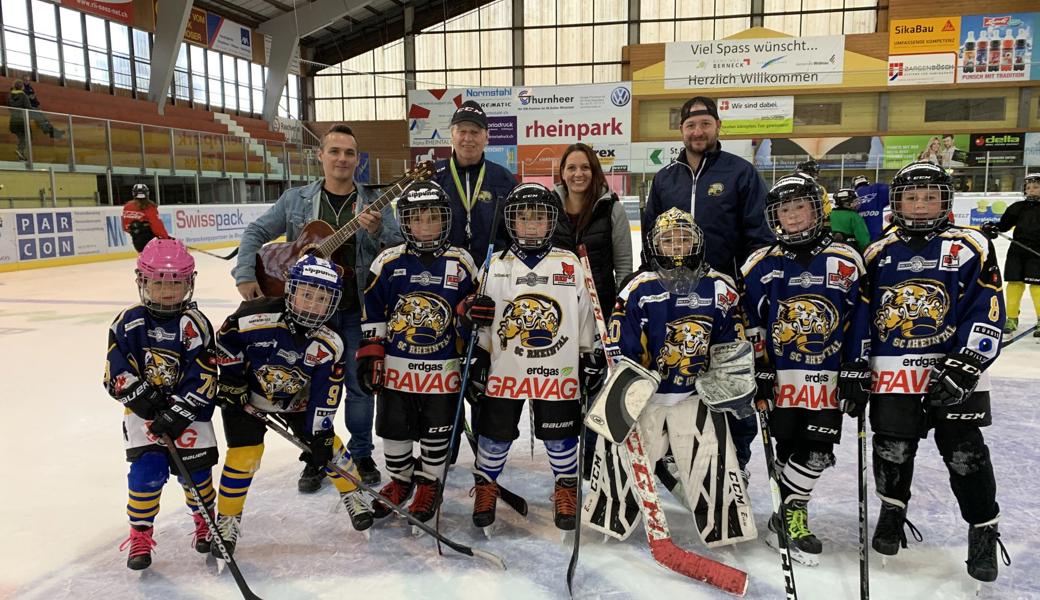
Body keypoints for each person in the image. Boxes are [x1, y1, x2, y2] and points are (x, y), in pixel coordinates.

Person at [232, 124, 401, 490]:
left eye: (350, 153)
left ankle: (360, 453)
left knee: (358, 386)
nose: (342, 159)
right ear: (321, 156)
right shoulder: (296, 200)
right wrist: (246, 273)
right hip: (305, 314)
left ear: (358, 160)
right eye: (335, 151)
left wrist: (374, 232)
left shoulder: (373, 202)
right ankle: (315, 454)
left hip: (357, 310)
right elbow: (255, 234)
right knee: (306, 387)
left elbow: (397, 244)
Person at [865, 161, 1008, 583]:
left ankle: (983, 530)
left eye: (931, 197)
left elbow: (988, 307)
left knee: (966, 454)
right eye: (912, 197)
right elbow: (862, 313)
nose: (922, 205)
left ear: (946, 201)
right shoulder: (878, 252)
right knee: (892, 448)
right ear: (898, 203)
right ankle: (892, 511)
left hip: (955, 372)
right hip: (895, 373)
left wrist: (967, 363)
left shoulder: (971, 245)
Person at [587, 208, 756, 548]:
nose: (677, 247)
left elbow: (730, 349)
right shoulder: (638, 288)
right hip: (646, 399)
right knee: (618, 458)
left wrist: (726, 388)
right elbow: (626, 354)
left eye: (684, 239)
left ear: (698, 242)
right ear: (653, 246)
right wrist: (624, 395)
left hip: (695, 398)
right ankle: (610, 518)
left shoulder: (720, 287)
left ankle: (724, 525)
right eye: (668, 240)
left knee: (713, 462)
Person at [741, 174, 870, 565]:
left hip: (827, 378)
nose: (793, 216)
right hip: (782, 379)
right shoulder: (760, 265)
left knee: (815, 452)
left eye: (801, 207)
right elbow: (750, 323)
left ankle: (788, 510)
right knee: (786, 446)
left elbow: (860, 318)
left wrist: (855, 366)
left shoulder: (845, 260)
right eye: (785, 209)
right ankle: (791, 514)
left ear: (818, 210)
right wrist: (758, 367)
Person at [642, 95, 773, 476]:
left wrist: (744, 289)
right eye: (690, 126)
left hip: (725, 298)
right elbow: (652, 237)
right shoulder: (666, 178)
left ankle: (737, 463)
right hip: (675, 301)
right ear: (681, 131)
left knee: (730, 381)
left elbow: (759, 238)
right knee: (679, 376)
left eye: (704, 124)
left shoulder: (740, 173)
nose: (698, 132)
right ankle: (678, 457)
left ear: (717, 127)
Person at [212, 255, 374, 558]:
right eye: (307, 294)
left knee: (329, 446)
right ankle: (227, 520)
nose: (313, 304)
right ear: (291, 290)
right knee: (243, 455)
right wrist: (232, 381)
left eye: (323, 298)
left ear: (334, 302)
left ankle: (354, 494)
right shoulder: (252, 317)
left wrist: (320, 436)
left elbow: (326, 394)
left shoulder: (331, 343)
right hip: (247, 398)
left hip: (298, 402)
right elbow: (225, 340)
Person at [460, 183, 600, 532]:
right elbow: (482, 319)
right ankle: (486, 486)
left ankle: (565, 487)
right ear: (513, 222)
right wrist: (477, 351)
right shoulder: (495, 266)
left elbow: (584, 314)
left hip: (558, 369)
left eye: (539, 218)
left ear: (551, 221)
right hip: (506, 368)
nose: (531, 225)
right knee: (495, 432)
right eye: (524, 218)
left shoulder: (569, 263)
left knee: (560, 432)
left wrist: (588, 355)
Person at [357, 181, 477, 524]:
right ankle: (400, 480)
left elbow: (473, 312)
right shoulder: (388, 262)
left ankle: (429, 483)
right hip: (398, 369)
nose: (425, 226)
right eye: (417, 219)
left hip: (443, 371)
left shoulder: (462, 262)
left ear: (446, 220)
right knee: (394, 431)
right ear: (405, 223)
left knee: (436, 431)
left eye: (433, 218)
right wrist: (371, 354)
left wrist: (471, 320)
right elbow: (375, 309)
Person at [103, 238, 219, 570]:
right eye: (158, 283)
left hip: (189, 415)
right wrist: (149, 402)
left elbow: (206, 375)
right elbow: (115, 373)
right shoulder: (128, 322)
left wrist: (179, 412)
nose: (167, 291)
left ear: (189, 283)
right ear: (143, 282)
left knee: (196, 475)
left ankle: (205, 522)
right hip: (144, 416)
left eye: (176, 283)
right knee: (145, 475)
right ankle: (140, 534)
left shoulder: (195, 325)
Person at [551, 143, 633, 475]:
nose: (578, 173)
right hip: (559, 314)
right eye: (571, 167)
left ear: (594, 170)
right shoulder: (551, 206)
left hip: (600, 314)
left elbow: (624, 266)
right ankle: (566, 455)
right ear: (562, 173)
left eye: (585, 167)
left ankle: (592, 457)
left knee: (597, 387)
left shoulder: (610, 207)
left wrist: (620, 312)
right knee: (565, 386)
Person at [432, 100, 517, 262]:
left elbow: (515, 231)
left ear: (487, 136)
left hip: (492, 273)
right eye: (462, 131)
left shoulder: (504, 179)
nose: (467, 138)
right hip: (444, 272)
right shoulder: (435, 177)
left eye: (475, 132)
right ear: (452, 135)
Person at [982, 173, 1040, 336]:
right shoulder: (1017, 207)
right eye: (1028, 188)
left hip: (1037, 253)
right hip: (1017, 251)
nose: (1031, 190)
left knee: (1037, 287)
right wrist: (992, 228)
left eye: (1036, 187)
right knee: (1014, 284)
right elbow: (1003, 226)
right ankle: (1012, 317)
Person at [121, 184, 170, 252]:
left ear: (134, 193)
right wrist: (166, 237)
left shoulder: (127, 206)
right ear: (147, 193)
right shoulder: (149, 206)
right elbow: (156, 225)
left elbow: (125, 227)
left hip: (136, 240)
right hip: (149, 239)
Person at [829, 187, 871, 252]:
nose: (856, 204)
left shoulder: (830, 215)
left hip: (831, 251)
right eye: (854, 202)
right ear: (845, 203)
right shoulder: (855, 217)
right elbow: (863, 240)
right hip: (851, 253)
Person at [852, 174, 891, 241]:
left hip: (858, 238)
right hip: (877, 237)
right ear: (867, 182)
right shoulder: (877, 188)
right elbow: (894, 193)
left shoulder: (851, 194)